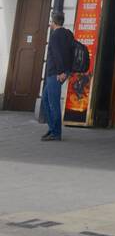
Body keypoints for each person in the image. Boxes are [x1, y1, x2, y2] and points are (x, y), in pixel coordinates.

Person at [42, 10, 75, 141]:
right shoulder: (69, 34)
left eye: (51, 21)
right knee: (45, 99)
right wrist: (67, 71)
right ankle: (52, 129)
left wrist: (61, 72)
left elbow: (57, 55)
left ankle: (56, 133)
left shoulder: (55, 35)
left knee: (53, 103)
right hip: (60, 72)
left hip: (54, 74)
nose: (50, 24)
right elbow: (72, 54)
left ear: (54, 22)